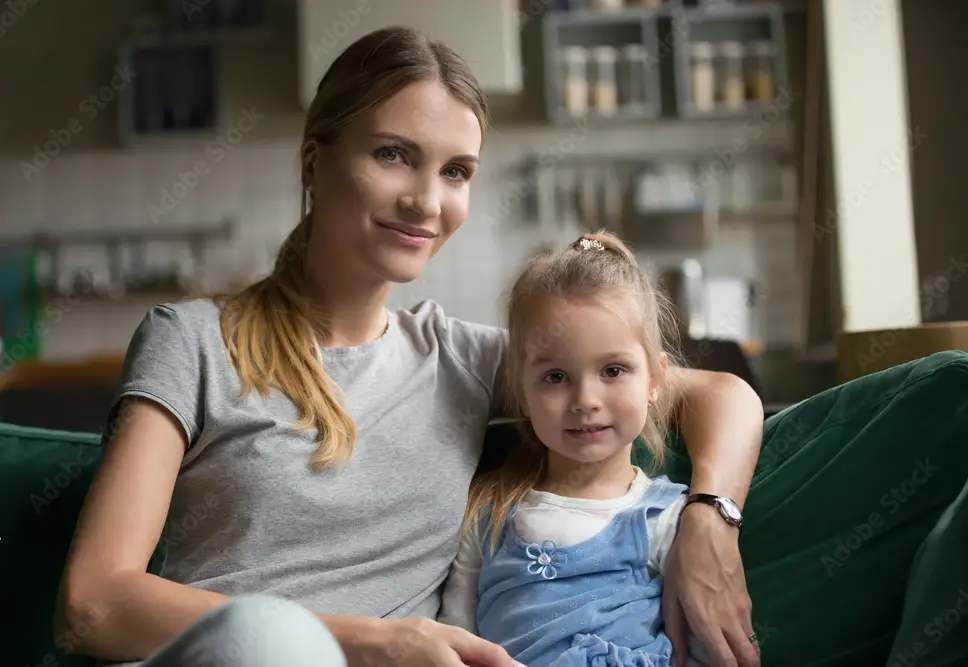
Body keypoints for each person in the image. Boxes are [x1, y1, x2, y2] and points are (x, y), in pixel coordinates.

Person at [54, 26, 765, 667]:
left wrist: (709, 518)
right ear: (314, 162)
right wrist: (371, 639)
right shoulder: (193, 342)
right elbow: (92, 602)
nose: (427, 201)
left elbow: (723, 396)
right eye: (394, 155)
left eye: (456, 171)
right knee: (270, 641)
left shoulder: (464, 361)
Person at [438, 231, 721, 667]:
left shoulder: (667, 517)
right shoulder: (487, 512)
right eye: (555, 376)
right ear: (520, 390)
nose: (586, 399)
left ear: (654, 382)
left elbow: (700, 645)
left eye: (613, 370)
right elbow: (455, 639)